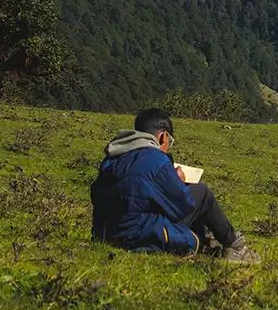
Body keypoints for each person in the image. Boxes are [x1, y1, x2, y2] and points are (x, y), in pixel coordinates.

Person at [90, 108, 260, 264]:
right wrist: (176, 180)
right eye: (168, 141)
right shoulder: (156, 159)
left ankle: (206, 241)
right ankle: (235, 247)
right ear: (163, 137)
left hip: (104, 233)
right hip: (137, 235)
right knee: (202, 193)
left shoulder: (112, 158)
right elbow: (183, 204)